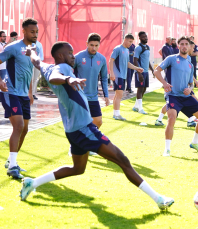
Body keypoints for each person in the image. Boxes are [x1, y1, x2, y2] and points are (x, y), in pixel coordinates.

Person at [19, 42, 174, 210]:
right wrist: (69, 78)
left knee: (78, 168)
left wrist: (31, 52)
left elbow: (37, 62)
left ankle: (32, 183)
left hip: (74, 130)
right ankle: (158, 199)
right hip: (84, 129)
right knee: (122, 160)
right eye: (70, 53)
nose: (73, 56)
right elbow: (52, 78)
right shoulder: (61, 68)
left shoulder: (48, 67)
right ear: (61, 56)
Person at [153, 36, 198, 157]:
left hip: (185, 97)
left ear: (189, 47)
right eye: (181, 44)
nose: (184, 46)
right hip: (172, 95)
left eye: (186, 44)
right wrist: (165, 83)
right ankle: (167, 149)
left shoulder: (190, 63)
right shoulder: (171, 59)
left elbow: (190, 83)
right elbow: (156, 71)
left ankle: (194, 142)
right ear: (178, 46)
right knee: (172, 118)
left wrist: (190, 89)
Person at [0, 18, 39, 179]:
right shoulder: (13, 47)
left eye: (36, 31)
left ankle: (11, 161)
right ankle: (13, 167)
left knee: (25, 129)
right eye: (32, 31)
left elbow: (28, 71)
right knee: (19, 126)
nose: (35, 34)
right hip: (10, 91)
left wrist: (30, 93)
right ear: (23, 31)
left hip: (24, 94)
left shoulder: (35, 48)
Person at [73, 33, 109, 156]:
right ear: (87, 44)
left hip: (93, 96)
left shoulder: (102, 59)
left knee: (98, 122)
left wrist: (106, 95)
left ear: (99, 45)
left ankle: (86, 143)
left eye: (96, 45)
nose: (93, 48)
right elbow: (68, 73)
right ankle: (74, 146)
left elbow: (104, 78)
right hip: (79, 95)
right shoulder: (78, 57)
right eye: (91, 45)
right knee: (81, 123)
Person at [155, 41, 198, 128]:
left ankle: (160, 119)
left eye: (188, 45)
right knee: (191, 100)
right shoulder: (173, 58)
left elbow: (188, 73)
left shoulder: (189, 59)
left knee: (190, 100)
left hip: (184, 88)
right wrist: (164, 83)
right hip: (174, 89)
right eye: (192, 47)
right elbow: (157, 70)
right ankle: (191, 119)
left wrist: (194, 82)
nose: (193, 49)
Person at [109, 33, 143, 120]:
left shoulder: (127, 50)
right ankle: (117, 114)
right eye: (129, 41)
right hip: (118, 75)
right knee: (119, 94)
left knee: (118, 95)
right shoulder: (118, 49)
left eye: (132, 42)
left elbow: (128, 63)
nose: (131, 44)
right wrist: (112, 73)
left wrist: (137, 68)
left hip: (122, 76)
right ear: (125, 40)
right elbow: (111, 60)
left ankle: (115, 114)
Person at [133, 31, 154, 114]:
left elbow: (147, 60)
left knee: (144, 89)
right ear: (140, 38)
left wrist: (152, 70)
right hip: (140, 72)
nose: (145, 38)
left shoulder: (147, 47)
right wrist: (139, 72)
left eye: (146, 36)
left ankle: (136, 106)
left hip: (146, 72)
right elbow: (135, 60)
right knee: (140, 89)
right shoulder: (138, 48)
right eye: (143, 37)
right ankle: (140, 109)